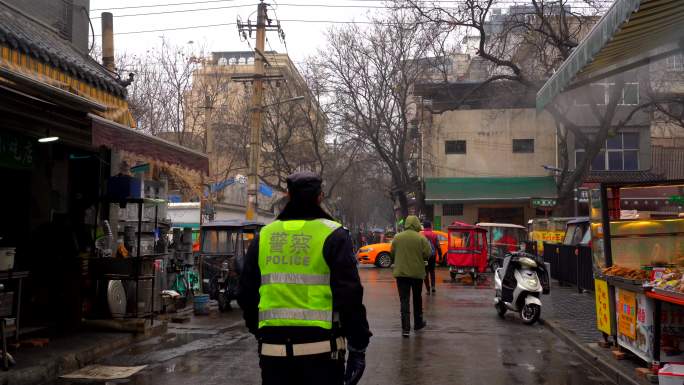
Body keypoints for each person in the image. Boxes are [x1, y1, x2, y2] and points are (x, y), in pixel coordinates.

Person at [238, 171, 372, 385]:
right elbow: (350, 296)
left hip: (274, 353)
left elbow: (245, 293)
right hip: (322, 353)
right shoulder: (334, 235)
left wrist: (261, 333)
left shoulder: (264, 236)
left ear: (288, 196)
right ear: (319, 197)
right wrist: (358, 346)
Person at [390, 215, 432, 337]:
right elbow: (428, 253)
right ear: (417, 224)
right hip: (417, 274)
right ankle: (418, 323)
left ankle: (405, 329)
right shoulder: (421, 238)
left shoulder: (397, 238)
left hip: (401, 274)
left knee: (404, 300)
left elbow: (392, 253)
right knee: (417, 299)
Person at [421, 221, 442, 294]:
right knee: (432, 271)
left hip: (424, 257)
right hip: (433, 256)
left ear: (424, 226)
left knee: (425, 272)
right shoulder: (434, 235)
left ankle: (428, 289)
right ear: (430, 226)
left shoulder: (421, 235)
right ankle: (433, 287)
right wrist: (440, 256)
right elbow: (438, 246)